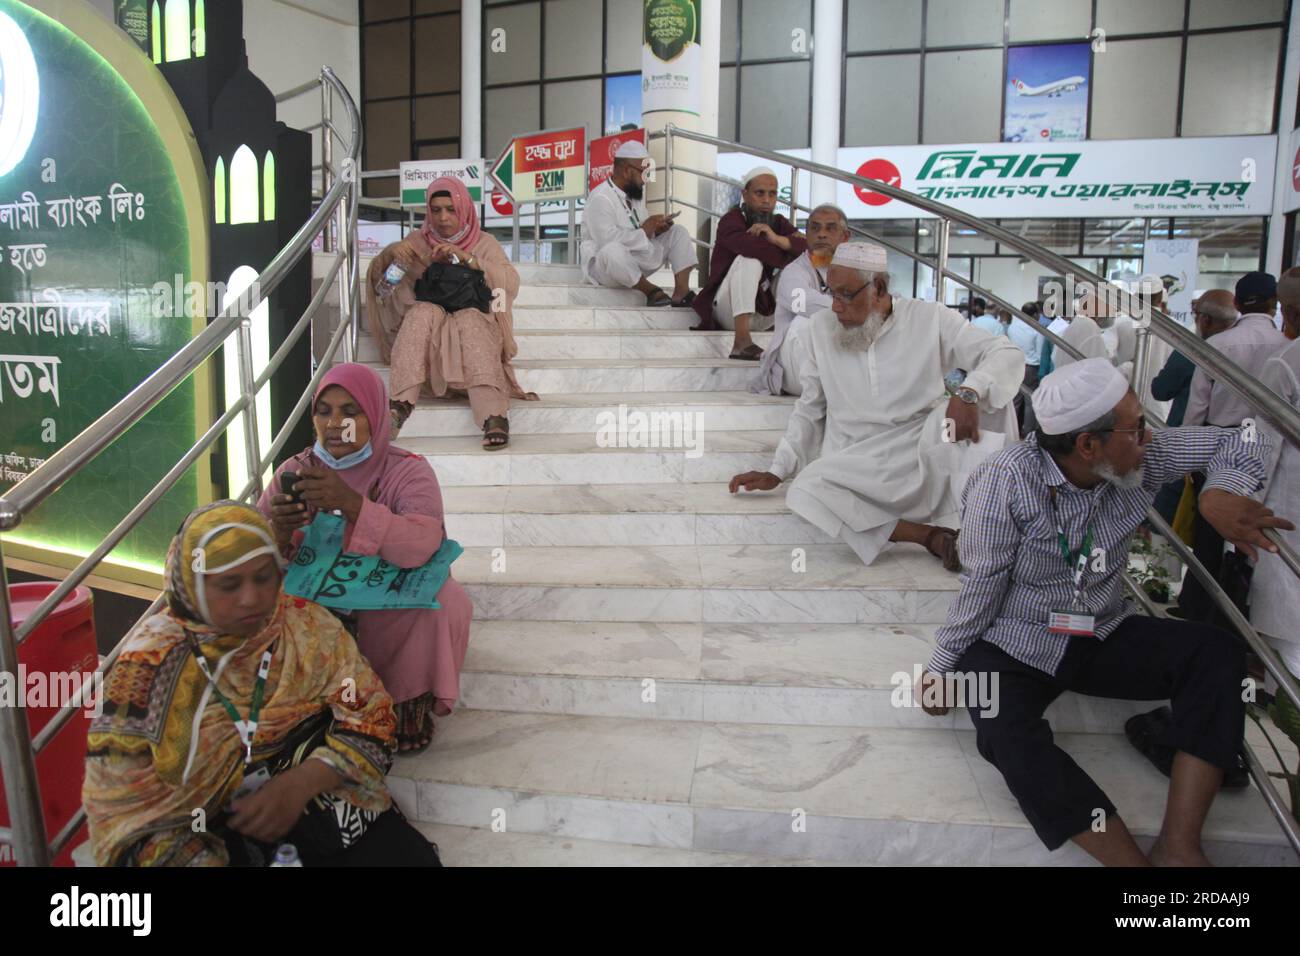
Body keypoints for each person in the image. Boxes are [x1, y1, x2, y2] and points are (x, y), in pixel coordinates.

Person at [918, 358, 1291, 866]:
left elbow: (1244, 436)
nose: (1148, 435)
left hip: (1102, 629)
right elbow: (982, 585)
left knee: (1217, 653)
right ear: (1088, 445)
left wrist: (1220, 495)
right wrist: (940, 665)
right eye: (1136, 427)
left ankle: (1180, 844)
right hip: (1015, 637)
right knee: (1004, 730)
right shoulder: (1004, 482)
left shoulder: (1140, 458)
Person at [83, 501, 442, 867]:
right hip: (202, 835)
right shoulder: (149, 666)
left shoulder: (307, 628)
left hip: (320, 807)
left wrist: (304, 781)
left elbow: (372, 718)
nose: (251, 599)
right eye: (228, 584)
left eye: (263, 577)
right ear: (190, 585)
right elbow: (123, 808)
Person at [727, 242, 1024, 571]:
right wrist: (778, 469)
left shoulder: (930, 318)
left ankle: (997, 521)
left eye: (845, 295)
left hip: (923, 443)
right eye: (830, 293)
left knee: (994, 405)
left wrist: (969, 392)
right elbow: (810, 408)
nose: (835, 306)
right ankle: (929, 536)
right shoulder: (820, 329)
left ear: (879, 288)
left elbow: (1005, 353)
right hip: (858, 460)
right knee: (806, 490)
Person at [260, 363, 473, 754]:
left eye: (350, 411)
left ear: (373, 415)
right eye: (324, 411)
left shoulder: (407, 471)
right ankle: (309, 706)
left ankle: (405, 700)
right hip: (314, 599)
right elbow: (252, 553)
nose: (335, 423)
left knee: (445, 601)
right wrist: (278, 532)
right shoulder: (295, 471)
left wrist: (353, 505)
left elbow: (423, 544)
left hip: (383, 598)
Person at [367, 177, 537, 451]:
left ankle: (494, 415)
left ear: (465, 209)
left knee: (470, 319)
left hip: (473, 324)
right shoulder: (416, 243)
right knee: (421, 312)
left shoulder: (484, 243)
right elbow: (385, 289)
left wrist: (468, 259)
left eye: (451, 209)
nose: (443, 218)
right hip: (429, 336)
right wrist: (392, 255)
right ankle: (398, 406)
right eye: (436, 210)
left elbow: (510, 283)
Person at [1176, 272, 1288, 623]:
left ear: (1237, 304)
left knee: (1210, 531)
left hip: (1218, 444)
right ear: (1276, 304)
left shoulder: (1219, 344)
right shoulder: (1286, 346)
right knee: (1257, 531)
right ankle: (1244, 614)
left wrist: (1188, 457)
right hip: (1270, 449)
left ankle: (1199, 609)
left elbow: (1197, 406)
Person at [693, 166, 808, 360]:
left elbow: (808, 250)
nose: (766, 200)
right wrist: (787, 247)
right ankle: (742, 342)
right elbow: (752, 248)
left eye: (772, 194)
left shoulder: (778, 222)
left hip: (764, 312)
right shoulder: (731, 220)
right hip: (727, 311)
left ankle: (794, 338)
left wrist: (778, 239)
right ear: (745, 194)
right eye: (760, 193)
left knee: (800, 268)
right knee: (749, 260)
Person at [1249, 266, 1300, 685]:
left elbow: (1263, 448)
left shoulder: (1286, 362)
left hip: (1288, 507)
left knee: (1291, 632)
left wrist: (1242, 504)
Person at [1149, 290, 1236, 523]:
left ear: (1204, 320)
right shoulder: (1270, 347)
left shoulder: (1194, 349)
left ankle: (1166, 557)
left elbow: (1160, 389)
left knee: (1169, 515)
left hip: (1188, 443)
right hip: (1237, 449)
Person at [580, 139, 695, 307]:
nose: (645, 179)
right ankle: (650, 291)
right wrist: (644, 229)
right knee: (611, 250)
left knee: (678, 232)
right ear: (627, 171)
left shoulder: (634, 195)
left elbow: (643, 230)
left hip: (635, 258)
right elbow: (606, 240)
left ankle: (682, 292)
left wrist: (657, 229)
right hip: (606, 267)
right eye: (644, 173)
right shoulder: (600, 198)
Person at [752, 202, 850, 396]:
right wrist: (855, 310)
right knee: (804, 320)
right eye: (815, 228)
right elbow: (802, 302)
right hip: (792, 367)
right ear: (807, 236)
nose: (821, 234)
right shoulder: (794, 271)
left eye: (830, 228)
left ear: (845, 237)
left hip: (838, 359)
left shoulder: (854, 272)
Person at [1007, 302, 1044, 433]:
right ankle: (1027, 431)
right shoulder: (1036, 328)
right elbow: (1039, 352)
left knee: (1014, 400)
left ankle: (1012, 430)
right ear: (1035, 314)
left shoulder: (1013, 327)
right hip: (1030, 367)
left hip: (1014, 365)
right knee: (1030, 401)